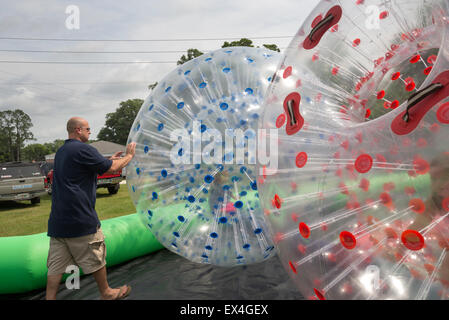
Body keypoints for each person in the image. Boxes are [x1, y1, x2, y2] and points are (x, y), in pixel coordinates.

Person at [45, 117, 136, 300]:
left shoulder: (62, 151)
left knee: (55, 266)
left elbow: (86, 170)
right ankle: (107, 293)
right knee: (96, 256)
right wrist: (129, 156)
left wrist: (108, 161)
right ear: (78, 130)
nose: (90, 132)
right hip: (80, 220)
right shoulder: (83, 148)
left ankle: (50, 298)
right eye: (87, 128)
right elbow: (112, 169)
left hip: (58, 223)